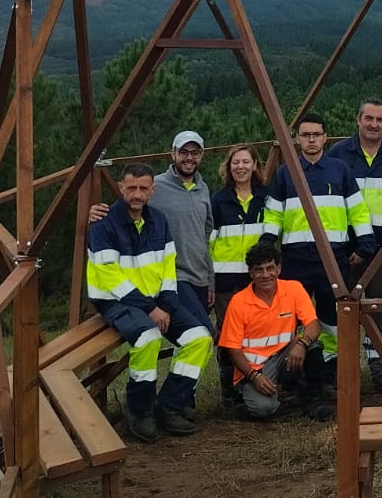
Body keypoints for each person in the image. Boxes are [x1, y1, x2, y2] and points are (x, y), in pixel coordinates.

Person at [85, 163, 215, 440]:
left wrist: (166, 302)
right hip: (115, 300)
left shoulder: (159, 220)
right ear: (121, 187)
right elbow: (110, 277)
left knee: (200, 338)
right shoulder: (103, 224)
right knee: (148, 337)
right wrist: (150, 309)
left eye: (143, 188)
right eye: (131, 187)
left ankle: (168, 405)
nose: (137, 194)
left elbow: (169, 266)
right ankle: (139, 410)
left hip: (156, 299)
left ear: (152, 190)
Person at [260, 111, 376, 393]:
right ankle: (295, 376)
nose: (311, 140)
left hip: (333, 258)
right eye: (305, 135)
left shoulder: (340, 171)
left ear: (325, 137)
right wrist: (267, 245)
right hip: (296, 258)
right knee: (295, 317)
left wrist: (365, 245)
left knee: (333, 318)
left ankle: (331, 373)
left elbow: (357, 212)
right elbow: (274, 214)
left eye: (316, 134)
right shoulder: (286, 173)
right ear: (297, 140)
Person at [326, 97, 382, 392]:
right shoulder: (338, 154)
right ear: (358, 119)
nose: (374, 125)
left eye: (380, 120)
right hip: (347, 248)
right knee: (340, 312)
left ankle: (380, 368)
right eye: (369, 118)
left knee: (377, 310)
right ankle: (338, 372)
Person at [216, 242, 331, 421]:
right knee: (263, 409)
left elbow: (314, 324)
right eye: (259, 270)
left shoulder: (293, 289)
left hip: (284, 355)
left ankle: (312, 401)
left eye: (270, 268)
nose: (265, 274)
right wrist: (254, 377)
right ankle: (244, 400)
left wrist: (302, 344)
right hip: (255, 368)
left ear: (279, 268)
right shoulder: (239, 302)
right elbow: (232, 350)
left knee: (313, 346)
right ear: (251, 273)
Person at [210, 143, 268, 409]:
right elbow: (208, 243)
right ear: (228, 167)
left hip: (258, 279)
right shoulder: (217, 200)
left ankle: (259, 384)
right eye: (235, 163)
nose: (241, 167)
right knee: (228, 336)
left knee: (258, 333)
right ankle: (229, 392)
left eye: (246, 162)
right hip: (226, 281)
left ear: (255, 165)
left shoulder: (266, 197)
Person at [151, 130, 216, 329]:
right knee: (204, 331)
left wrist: (210, 279)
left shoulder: (202, 188)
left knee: (191, 338)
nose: (189, 158)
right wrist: (96, 212)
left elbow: (205, 237)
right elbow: (128, 205)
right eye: (184, 152)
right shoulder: (156, 185)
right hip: (175, 275)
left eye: (195, 153)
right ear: (173, 154)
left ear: (201, 155)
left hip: (200, 274)